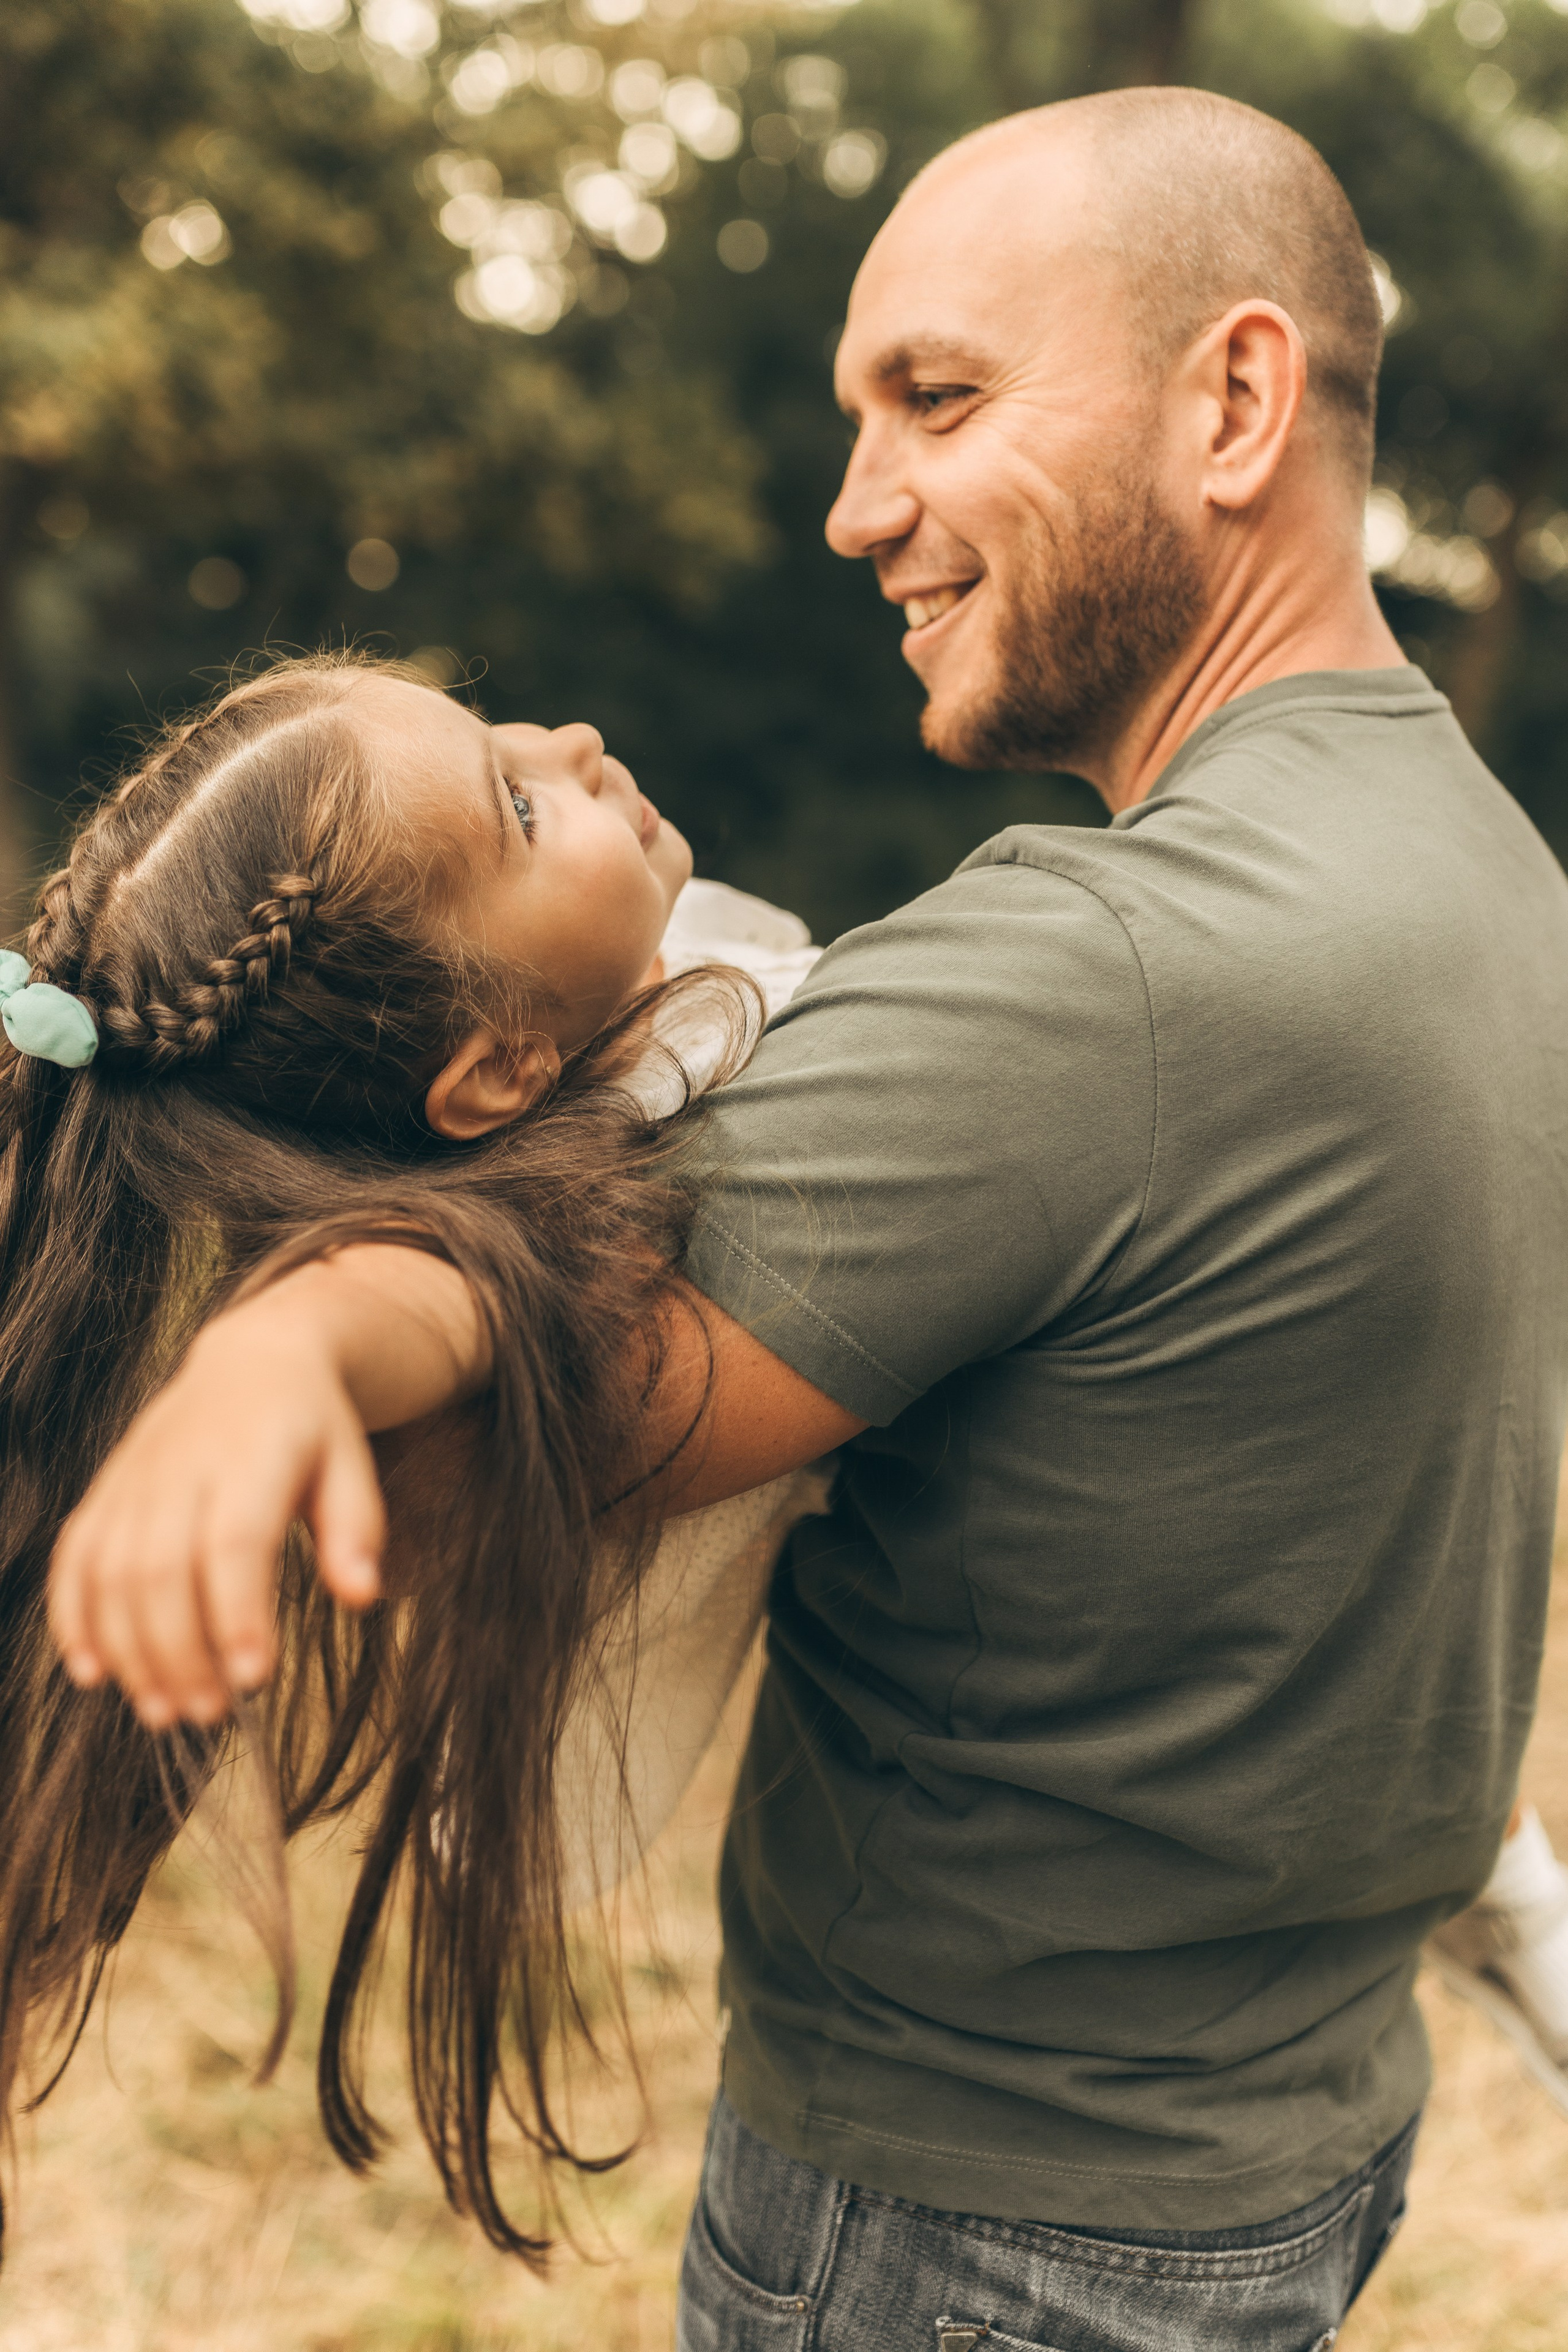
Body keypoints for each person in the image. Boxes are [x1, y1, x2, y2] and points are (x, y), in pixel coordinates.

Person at [40, 86, 1568, 2352]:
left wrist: (267, 1354)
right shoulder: (1481, 863)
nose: (859, 509)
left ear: (1236, 399)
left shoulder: (1104, 976)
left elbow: (516, 1416)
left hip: (978, 2235)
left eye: (937, 402)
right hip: (1298, 2140)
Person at [0, 650, 827, 2261]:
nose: (573, 739)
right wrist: (281, 1346)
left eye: (504, 734)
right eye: (518, 807)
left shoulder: (605, 1023)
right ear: (501, 1068)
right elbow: (433, 1276)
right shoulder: (578, 1155)